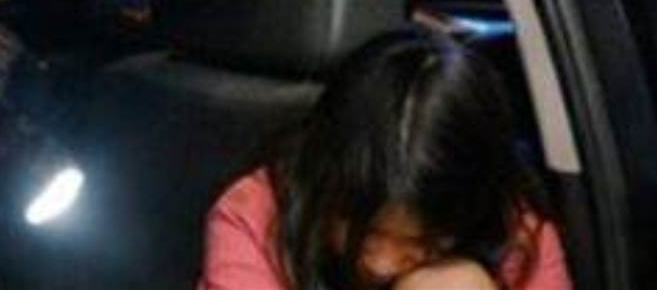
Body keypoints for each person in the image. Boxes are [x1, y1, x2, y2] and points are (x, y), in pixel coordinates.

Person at [198, 29, 572, 289]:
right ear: (323, 177)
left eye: (425, 241)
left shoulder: (517, 239)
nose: (382, 264)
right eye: (364, 231)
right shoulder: (258, 216)